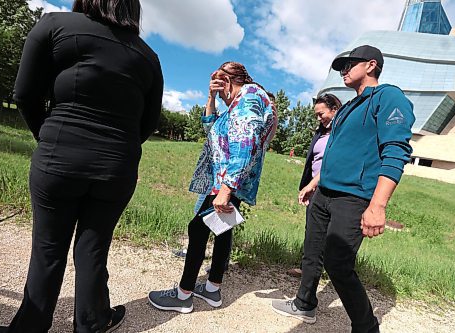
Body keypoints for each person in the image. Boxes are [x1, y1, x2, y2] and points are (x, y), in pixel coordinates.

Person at [0, 1, 163, 332]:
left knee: (48, 249)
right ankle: (93, 322)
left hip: (59, 157)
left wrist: (48, 136)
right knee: (93, 250)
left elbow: (24, 93)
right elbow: (148, 123)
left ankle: (29, 328)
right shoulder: (149, 58)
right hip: (117, 168)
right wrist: (120, 150)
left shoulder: (54, 26)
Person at [272, 45, 415, 333]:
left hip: (354, 197)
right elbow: (335, 152)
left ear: (371, 65)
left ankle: (366, 327)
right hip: (324, 194)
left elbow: (396, 152)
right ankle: (304, 303)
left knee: (338, 264)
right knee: (312, 251)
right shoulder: (348, 106)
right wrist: (315, 184)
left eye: (350, 64)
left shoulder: (388, 97)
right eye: (340, 67)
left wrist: (378, 206)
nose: (343, 71)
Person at [148, 61, 276, 313]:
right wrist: (211, 97)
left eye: (218, 84)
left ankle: (183, 295)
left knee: (197, 229)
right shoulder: (239, 104)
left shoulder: (248, 97)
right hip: (228, 180)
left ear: (227, 81)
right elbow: (210, 128)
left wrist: (227, 189)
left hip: (227, 181)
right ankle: (212, 290)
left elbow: (245, 142)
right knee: (222, 231)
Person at [287, 93, 342, 278]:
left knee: (328, 234)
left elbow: (332, 162)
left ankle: (330, 271)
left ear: (335, 110)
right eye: (316, 115)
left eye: (322, 113)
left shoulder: (341, 133)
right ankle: (308, 269)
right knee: (312, 231)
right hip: (315, 188)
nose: (319, 118)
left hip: (332, 188)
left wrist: (312, 184)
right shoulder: (321, 132)